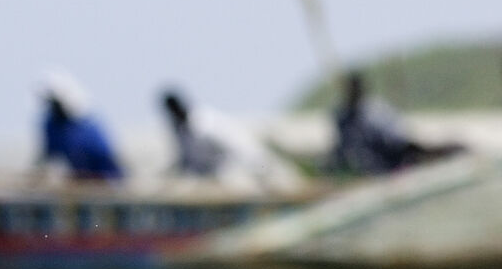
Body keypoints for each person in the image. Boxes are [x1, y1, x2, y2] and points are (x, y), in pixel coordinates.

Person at [160, 89, 304, 192]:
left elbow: (238, 150)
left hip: (234, 170)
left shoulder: (206, 124)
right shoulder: (178, 128)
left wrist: (257, 169)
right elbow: (186, 159)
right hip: (205, 175)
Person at [326, 72, 465, 175]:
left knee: (421, 150)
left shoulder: (371, 109)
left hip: (385, 157)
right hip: (375, 165)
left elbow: (395, 138)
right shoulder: (346, 115)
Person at [33, 71, 124, 181]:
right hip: (79, 180)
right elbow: (48, 155)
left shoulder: (90, 127)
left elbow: (107, 163)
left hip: (104, 180)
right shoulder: (52, 125)